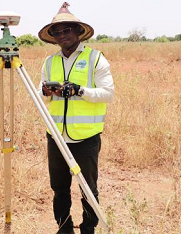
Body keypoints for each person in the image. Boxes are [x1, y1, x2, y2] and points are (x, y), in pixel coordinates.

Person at [37, 2, 115, 234]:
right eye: (57, 32)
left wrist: (80, 90)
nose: (62, 35)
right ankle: (64, 228)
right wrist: (46, 91)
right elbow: (40, 95)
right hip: (57, 137)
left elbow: (108, 94)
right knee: (59, 188)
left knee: (88, 189)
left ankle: (88, 229)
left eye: (67, 30)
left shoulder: (96, 58)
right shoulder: (50, 62)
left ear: (78, 31)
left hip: (86, 138)